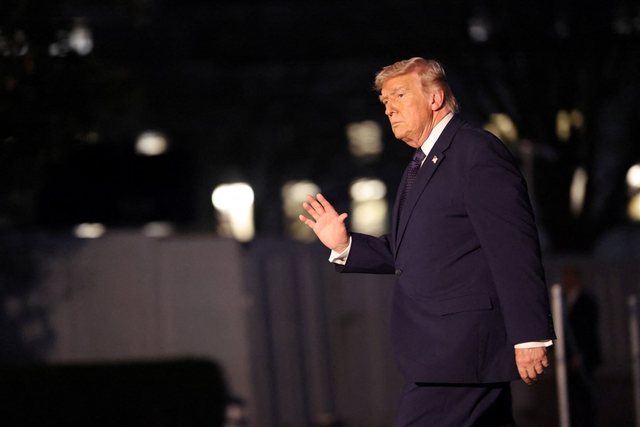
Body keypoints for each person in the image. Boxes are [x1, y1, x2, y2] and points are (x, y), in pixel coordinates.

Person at [299, 57, 556, 426]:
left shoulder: (476, 152)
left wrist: (530, 335)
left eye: (399, 96)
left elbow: (514, 248)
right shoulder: (420, 165)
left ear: (435, 98)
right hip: (444, 352)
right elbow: (410, 250)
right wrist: (344, 245)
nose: (389, 108)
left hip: (460, 352)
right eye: (385, 101)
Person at [560, 267, 601, 427]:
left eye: (568, 277)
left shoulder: (587, 301)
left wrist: (581, 354)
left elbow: (588, 330)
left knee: (584, 393)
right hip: (568, 357)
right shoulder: (563, 300)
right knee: (571, 394)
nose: (565, 281)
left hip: (583, 356)